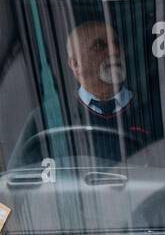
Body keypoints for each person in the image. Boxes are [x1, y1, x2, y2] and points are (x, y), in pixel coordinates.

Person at [16, 21, 155, 164]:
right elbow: (17, 179)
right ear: (75, 64)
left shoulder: (156, 109)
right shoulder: (47, 119)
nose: (114, 52)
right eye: (100, 46)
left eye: (116, 43)